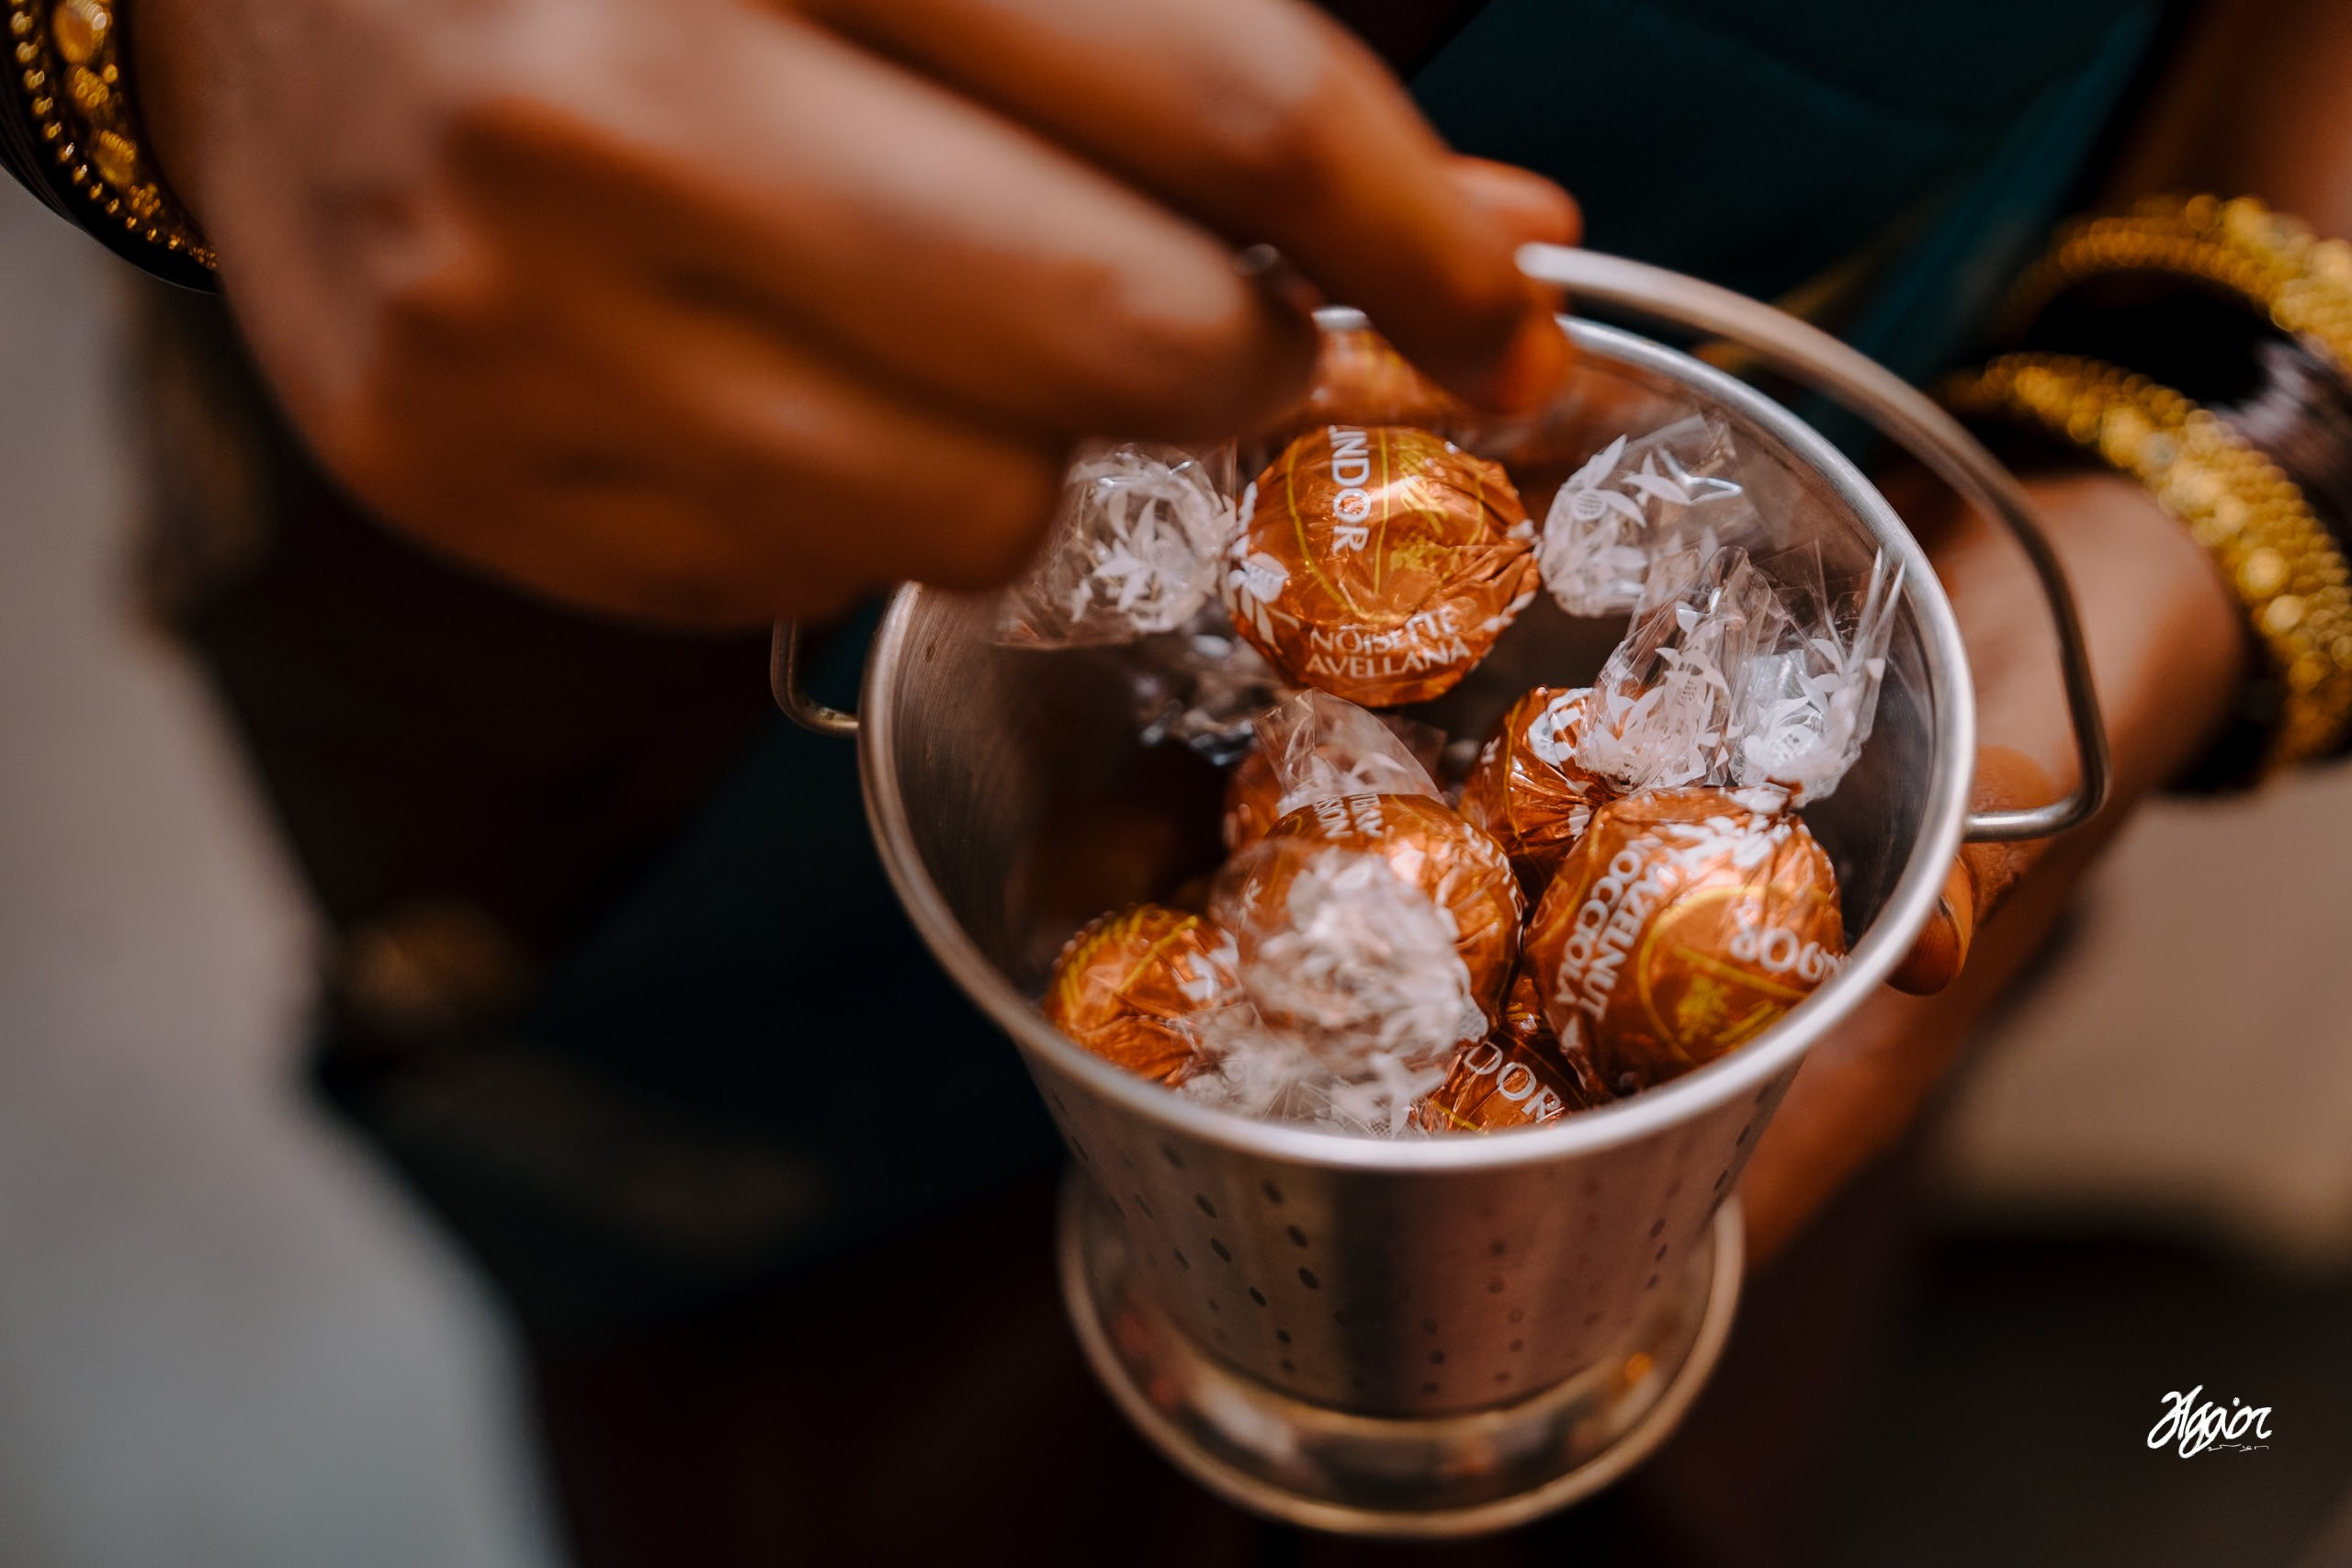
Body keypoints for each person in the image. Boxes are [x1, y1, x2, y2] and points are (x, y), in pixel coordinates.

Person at [5, 0, 2348, 1562]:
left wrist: (2197, 471)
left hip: (1867, 332)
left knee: (1681, 1440)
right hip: (598, 440)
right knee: (783, 1427)